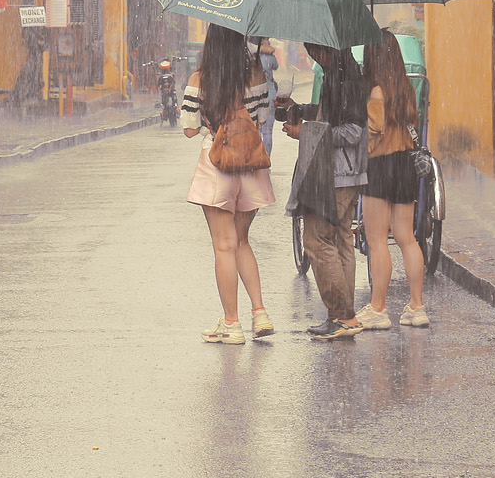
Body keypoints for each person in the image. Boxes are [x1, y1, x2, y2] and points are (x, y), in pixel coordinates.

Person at [181, 23, 275, 344]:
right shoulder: (256, 75)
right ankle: (259, 312)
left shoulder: (200, 79)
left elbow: (190, 129)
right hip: (250, 165)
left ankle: (232, 324)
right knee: (242, 242)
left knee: (224, 246)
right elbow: (262, 118)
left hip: (218, 164)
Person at [287, 44, 369, 341]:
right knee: (341, 241)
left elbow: (351, 131)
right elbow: (329, 116)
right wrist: (298, 110)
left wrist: (304, 132)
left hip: (337, 174)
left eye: (314, 48)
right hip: (347, 173)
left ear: (329, 48)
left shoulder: (344, 79)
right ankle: (342, 317)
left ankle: (344, 315)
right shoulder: (340, 74)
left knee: (317, 240)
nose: (311, 53)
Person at [355, 37, 429, 329]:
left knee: (376, 241)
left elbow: (373, 135)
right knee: (406, 238)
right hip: (405, 166)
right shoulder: (406, 89)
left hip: (381, 166)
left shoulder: (375, 91)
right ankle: (416, 306)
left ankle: (378, 308)